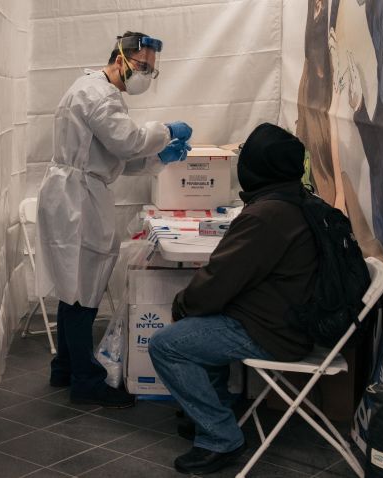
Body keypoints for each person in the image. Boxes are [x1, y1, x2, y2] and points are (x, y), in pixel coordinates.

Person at [148, 123, 318, 475]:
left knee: (168, 344)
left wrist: (181, 306)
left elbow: (219, 279)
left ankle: (221, 438)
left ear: (258, 166)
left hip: (274, 331)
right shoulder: (293, 200)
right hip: (287, 320)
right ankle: (211, 415)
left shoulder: (266, 215)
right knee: (200, 326)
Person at [35, 31, 192, 408]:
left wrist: (160, 159)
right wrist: (167, 131)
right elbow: (127, 142)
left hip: (78, 193)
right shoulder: (97, 94)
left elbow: (117, 156)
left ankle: (65, 366)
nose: (144, 76)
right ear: (120, 59)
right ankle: (85, 382)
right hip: (76, 200)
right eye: (141, 67)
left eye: (151, 71)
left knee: (75, 284)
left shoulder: (96, 91)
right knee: (82, 288)